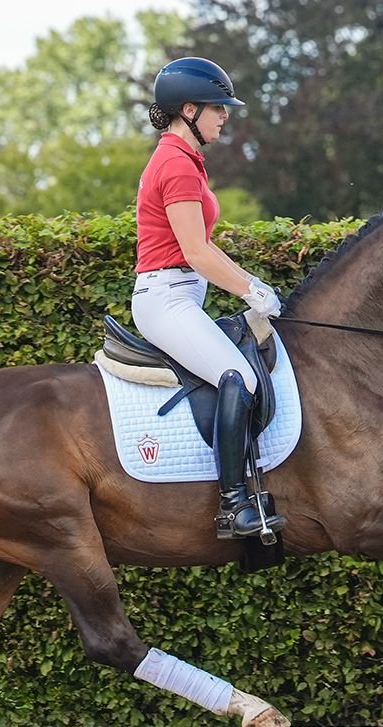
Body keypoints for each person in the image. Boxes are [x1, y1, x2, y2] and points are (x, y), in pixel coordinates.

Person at [132, 56, 287, 541]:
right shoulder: (176, 165)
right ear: (190, 109)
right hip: (166, 298)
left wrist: (253, 283)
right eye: (219, 108)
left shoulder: (186, 160)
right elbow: (196, 253)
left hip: (181, 294)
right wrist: (249, 290)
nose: (226, 116)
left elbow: (204, 245)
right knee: (237, 377)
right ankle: (233, 506)